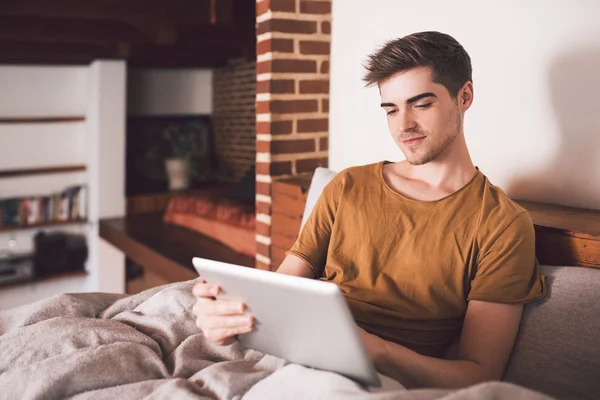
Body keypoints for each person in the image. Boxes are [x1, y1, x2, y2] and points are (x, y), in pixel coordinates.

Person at [192, 31, 547, 389]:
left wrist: (372, 349)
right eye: (391, 109)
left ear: (464, 96)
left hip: (370, 381)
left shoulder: (502, 224)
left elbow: (479, 375)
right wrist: (231, 316)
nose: (403, 124)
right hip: (295, 350)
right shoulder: (347, 186)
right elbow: (284, 286)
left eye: (421, 104)